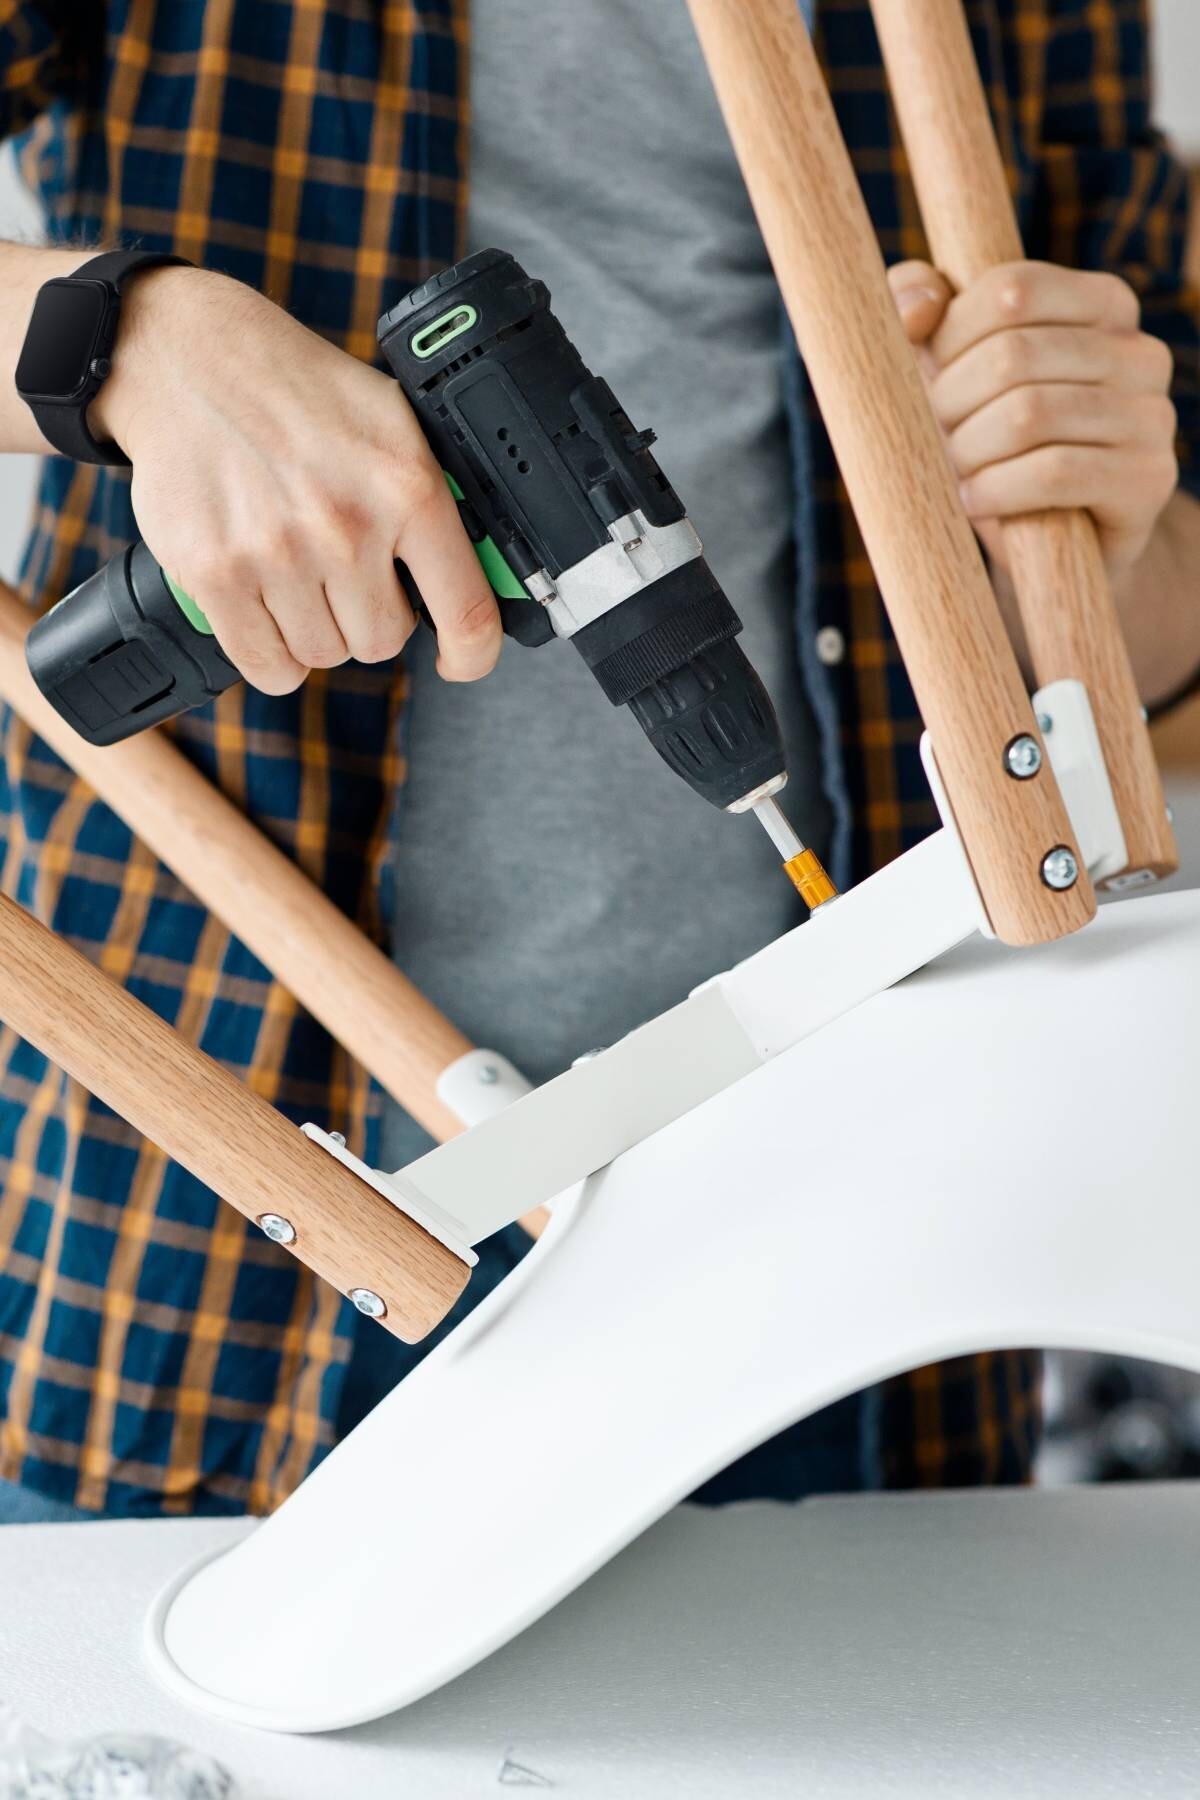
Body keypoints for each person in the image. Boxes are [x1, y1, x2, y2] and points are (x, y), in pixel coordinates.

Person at [0, 0, 1195, 1525]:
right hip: (228, 1253)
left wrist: (1100, 520)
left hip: (859, 1254)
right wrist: (121, 341)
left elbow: (1140, 636)